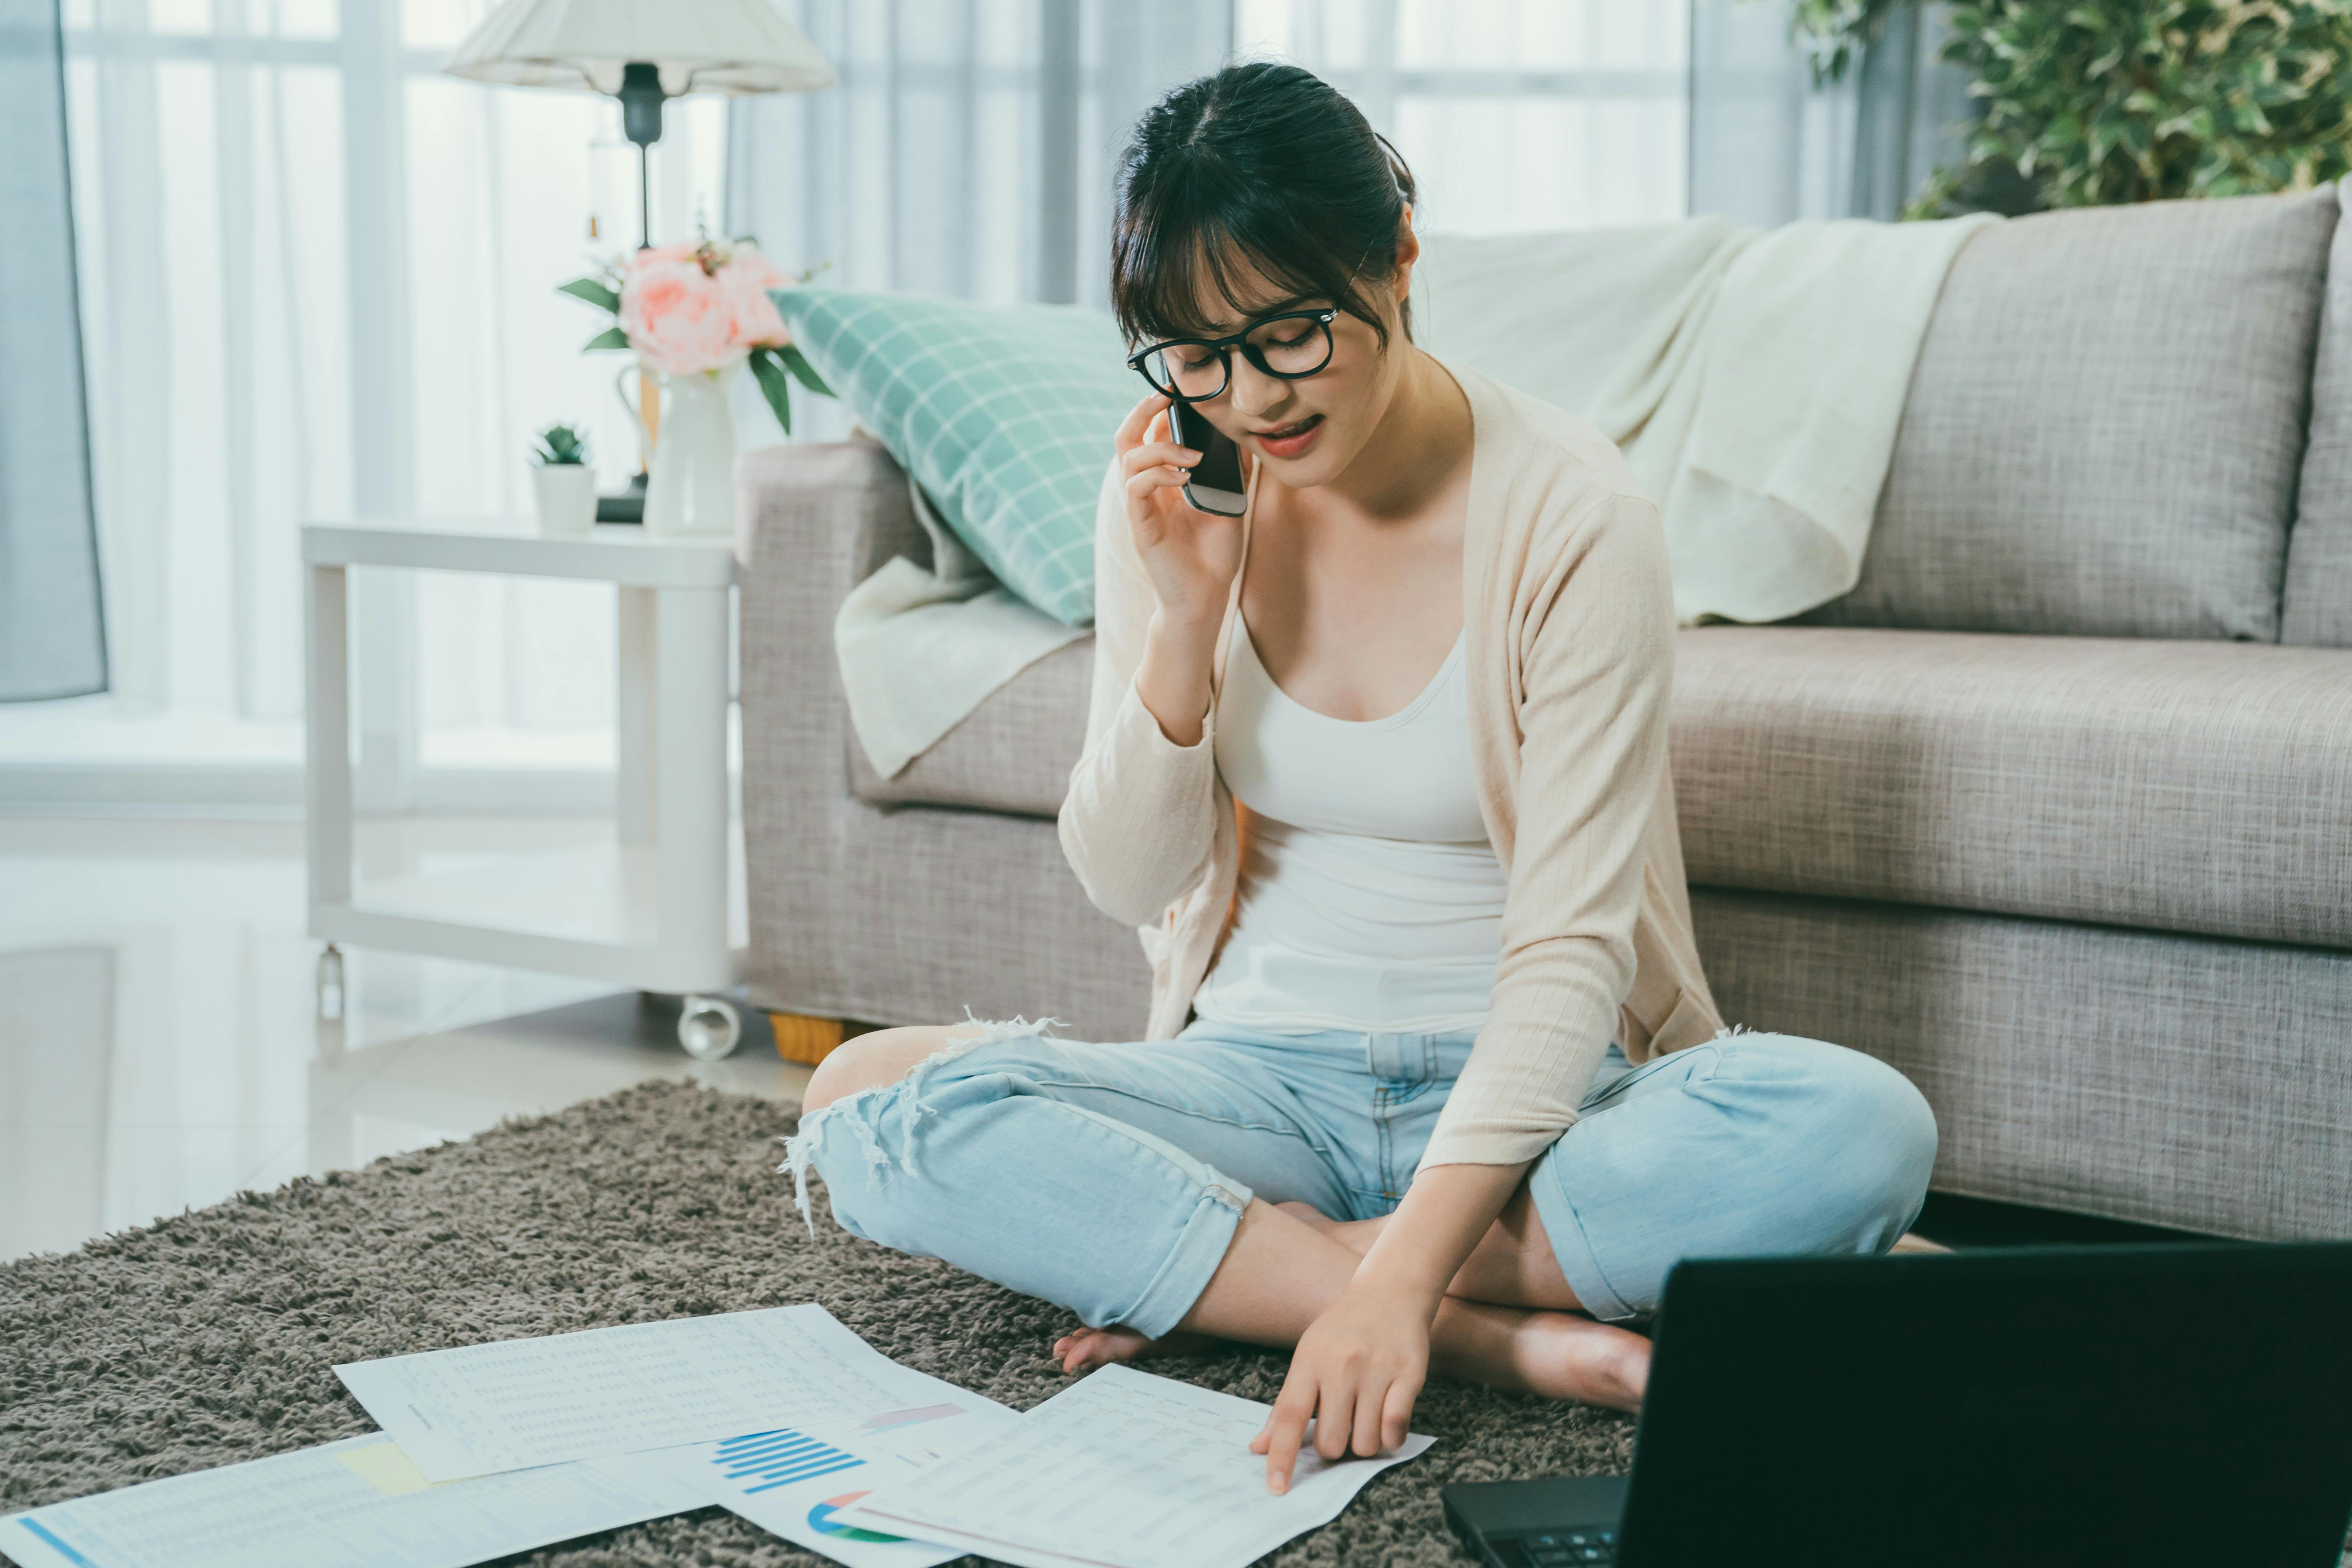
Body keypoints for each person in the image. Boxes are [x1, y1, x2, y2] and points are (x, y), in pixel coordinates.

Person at [787, 61, 1937, 1495]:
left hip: (1539, 1115)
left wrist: (1372, 1274)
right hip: (1258, 1090)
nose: (1249, 399)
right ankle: (1511, 1339)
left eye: (1288, 336)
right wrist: (1186, 625)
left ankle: (1246, 1278)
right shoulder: (1175, 487)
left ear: (1396, 253)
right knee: (868, 1105)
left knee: (1855, 1127)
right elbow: (1126, 880)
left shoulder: (1578, 516)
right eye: (1194, 356)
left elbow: (1576, 951)